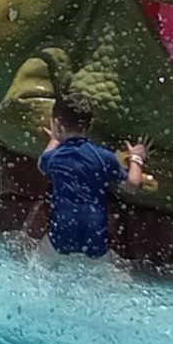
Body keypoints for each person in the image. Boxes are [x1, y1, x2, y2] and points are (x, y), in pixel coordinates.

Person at [36, 93, 148, 259]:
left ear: (57, 124)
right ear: (90, 125)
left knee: (36, 262)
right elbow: (132, 185)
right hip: (95, 239)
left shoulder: (53, 158)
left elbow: (41, 165)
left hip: (63, 237)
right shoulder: (104, 157)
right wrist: (137, 158)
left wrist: (54, 140)